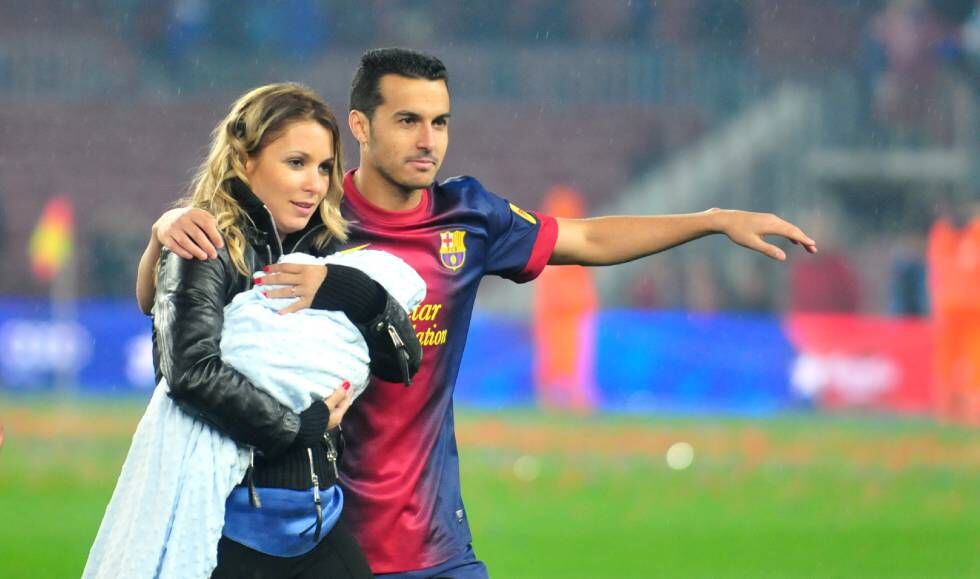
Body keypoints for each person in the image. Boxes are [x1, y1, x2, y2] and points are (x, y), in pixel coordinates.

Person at [137, 49, 819, 578]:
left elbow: (583, 238)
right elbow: (172, 298)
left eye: (439, 121)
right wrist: (167, 226)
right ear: (362, 127)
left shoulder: (472, 216)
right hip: (321, 535)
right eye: (408, 120)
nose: (428, 140)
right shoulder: (313, 217)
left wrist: (709, 219)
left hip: (434, 540)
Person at [92, 82, 423, 579]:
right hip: (232, 533)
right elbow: (188, 373)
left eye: (324, 167)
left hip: (319, 521)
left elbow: (402, 365)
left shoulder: (330, 251)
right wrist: (299, 427)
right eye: (296, 163)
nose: (314, 183)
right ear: (245, 162)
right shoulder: (204, 242)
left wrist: (350, 289)